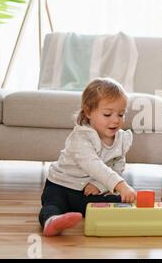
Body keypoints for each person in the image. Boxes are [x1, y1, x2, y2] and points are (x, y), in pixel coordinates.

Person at [39, 78, 136, 236]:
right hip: (60, 185)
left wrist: (100, 185)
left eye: (121, 114)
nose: (116, 120)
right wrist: (121, 185)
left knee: (114, 202)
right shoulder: (81, 137)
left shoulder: (121, 139)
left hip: (85, 192)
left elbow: (117, 166)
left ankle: (122, 212)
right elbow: (93, 164)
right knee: (53, 203)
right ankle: (52, 221)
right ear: (89, 111)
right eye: (107, 114)